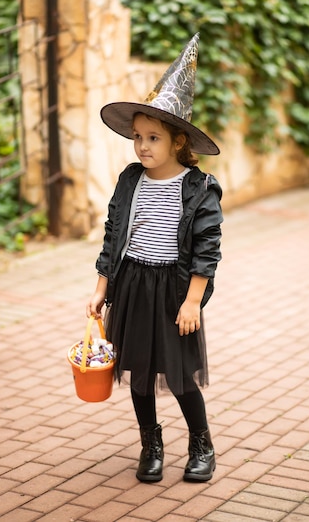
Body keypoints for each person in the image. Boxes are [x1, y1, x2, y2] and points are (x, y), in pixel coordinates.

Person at [87, 33, 223, 483]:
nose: (143, 146)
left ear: (178, 141)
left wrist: (191, 301)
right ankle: (151, 443)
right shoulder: (131, 180)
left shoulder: (199, 188)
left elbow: (207, 250)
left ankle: (201, 443)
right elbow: (113, 235)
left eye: (153, 138)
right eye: (138, 137)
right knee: (139, 373)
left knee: (181, 375)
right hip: (132, 285)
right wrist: (102, 289)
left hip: (173, 290)